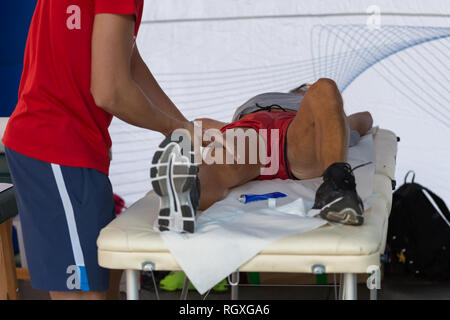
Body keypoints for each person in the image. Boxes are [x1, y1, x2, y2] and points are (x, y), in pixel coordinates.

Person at [2, 1, 196, 300]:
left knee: (101, 279)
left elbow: (127, 58)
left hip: (61, 145)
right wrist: (172, 127)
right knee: (85, 293)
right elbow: (110, 91)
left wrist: (182, 125)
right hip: (55, 144)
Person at [150, 79, 373, 233]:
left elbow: (365, 118)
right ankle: (187, 195)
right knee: (225, 156)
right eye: (304, 88)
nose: (306, 90)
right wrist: (211, 134)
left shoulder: (322, 108)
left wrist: (335, 116)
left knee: (325, 86)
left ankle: (338, 189)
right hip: (250, 130)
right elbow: (201, 125)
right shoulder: (286, 101)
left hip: (294, 134)